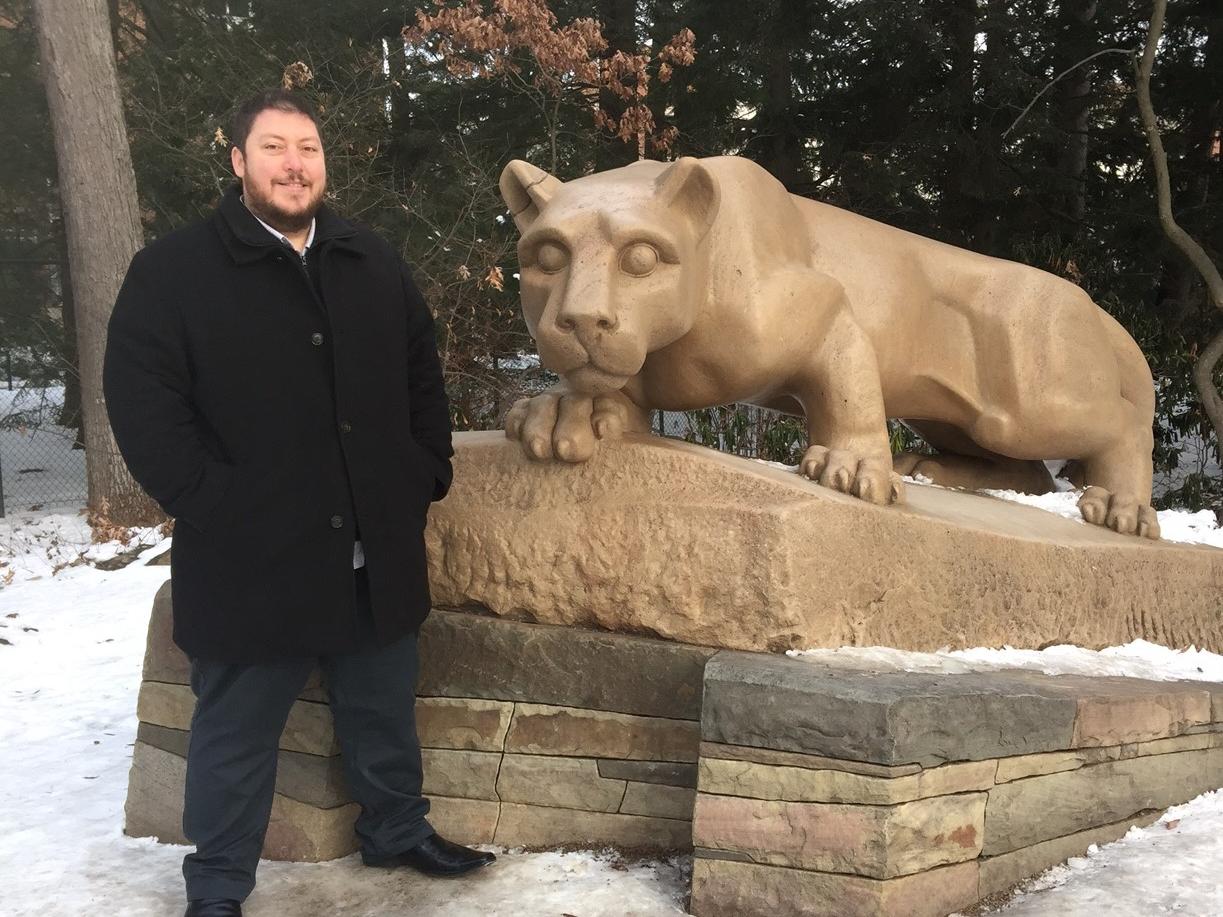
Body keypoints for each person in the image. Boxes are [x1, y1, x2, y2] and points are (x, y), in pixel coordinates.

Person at [103, 89, 494, 917]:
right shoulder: (172, 272)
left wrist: (424, 470)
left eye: (307, 147)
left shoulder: (368, 257)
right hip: (252, 555)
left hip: (371, 544)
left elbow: (422, 371)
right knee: (237, 734)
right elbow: (143, 406)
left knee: (382, 708)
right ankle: (216, 886)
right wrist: (215, 502)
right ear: (239, 162)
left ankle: (396, 828)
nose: (293, 163)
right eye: (274, 147)